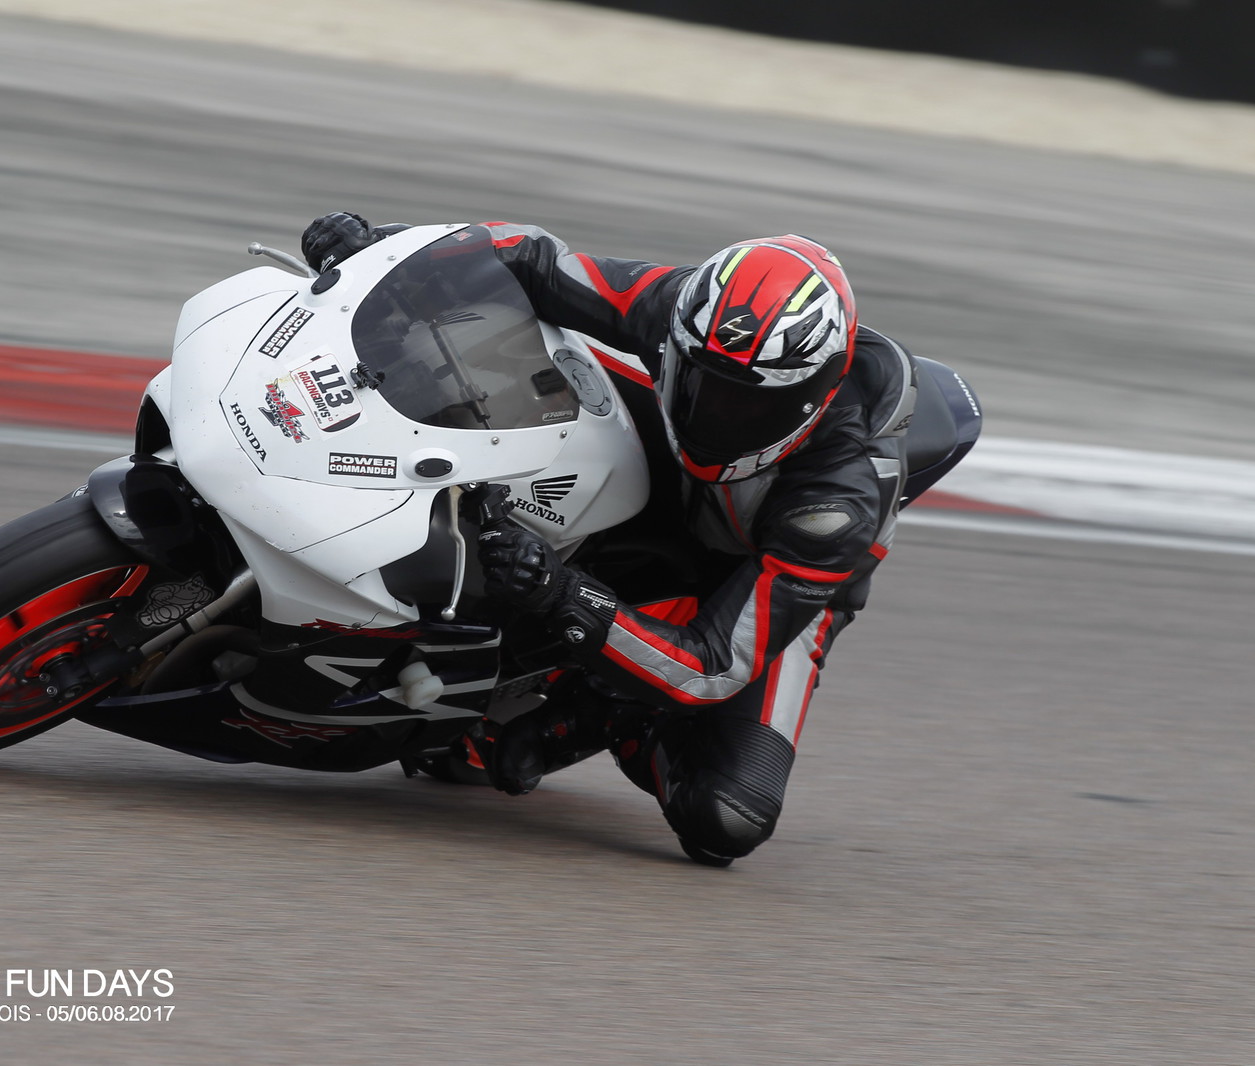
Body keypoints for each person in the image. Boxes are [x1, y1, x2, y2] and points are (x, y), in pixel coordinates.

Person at [301, 212, 923, 866]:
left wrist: (561, 593)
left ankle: (607, 713)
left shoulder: (836, 504)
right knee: (506, 351)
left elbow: (712, 666)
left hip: (774, 576)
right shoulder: (685, 313)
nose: (716, 413)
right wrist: (382, 248)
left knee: (727, 815)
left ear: (812, 396)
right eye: (702, 381)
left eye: (747, 404)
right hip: (677, 476)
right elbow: (527, 259)